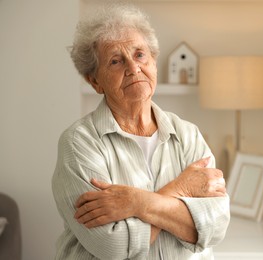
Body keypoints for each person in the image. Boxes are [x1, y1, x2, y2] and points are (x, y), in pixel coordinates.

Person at [51, 3, 230, 260]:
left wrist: (134, 202)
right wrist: (180, 190)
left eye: (139, 55)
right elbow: (115, 245)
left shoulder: (188, 135)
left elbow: (214, 227)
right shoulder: (78, 143)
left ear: (154, 62)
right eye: (115, 60)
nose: (133, 68)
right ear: (95, 81)